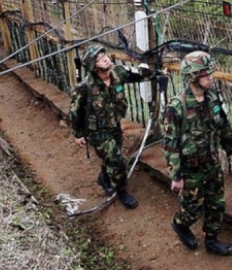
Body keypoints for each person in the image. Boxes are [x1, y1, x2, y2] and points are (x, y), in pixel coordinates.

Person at [163, 50, 232, 256]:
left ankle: (212, 239)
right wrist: (176, 176)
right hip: (190, 169)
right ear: (193, 77)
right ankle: (180, 224)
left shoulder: (213, 99)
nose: (211, 78)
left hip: (212, 163)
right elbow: (170, 144)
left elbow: (223, 126)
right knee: (192, 208)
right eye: (207, 75)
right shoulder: (177, 106)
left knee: (216, 203)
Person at [69, 44, 164, 209]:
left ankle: (104, 177)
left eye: (104, 55)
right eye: (99, 59)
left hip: (114, 127)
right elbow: (75, 111)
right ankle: (121, 191)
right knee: (117, 160)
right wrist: (78, 134)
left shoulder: (118, 73)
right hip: (96, 132)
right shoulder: (85, 87)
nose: (105, 59)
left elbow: (137, 74)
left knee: (111, 157)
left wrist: (158, 74)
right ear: (93, 67)